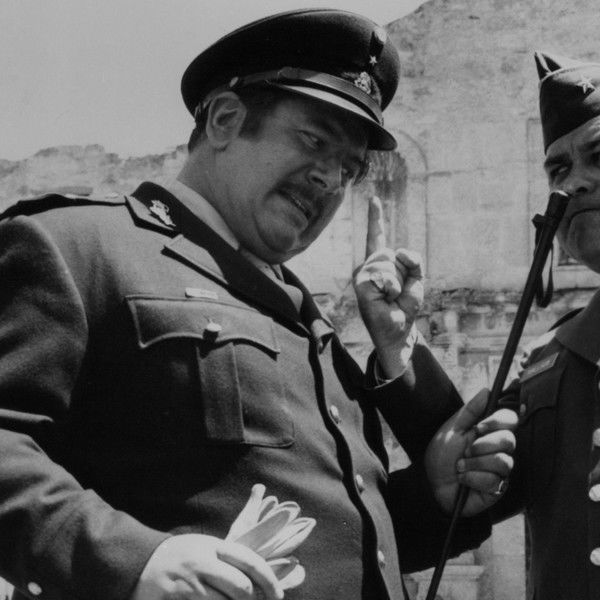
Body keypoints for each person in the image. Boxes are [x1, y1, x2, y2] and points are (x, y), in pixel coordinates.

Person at [0, 9, 516, 600]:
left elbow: (338, 539)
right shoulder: (78, 247)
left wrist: (434, 498)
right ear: (225, 119)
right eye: (314, 140)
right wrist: (133, 561)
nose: (331, 180)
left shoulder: (306, 319)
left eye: (349, 169)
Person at [489, 51, 600, 600]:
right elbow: (461, 489)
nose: (574, 183)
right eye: (558, 170)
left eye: (598, 156)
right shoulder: (547, 360)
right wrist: (398, 349)